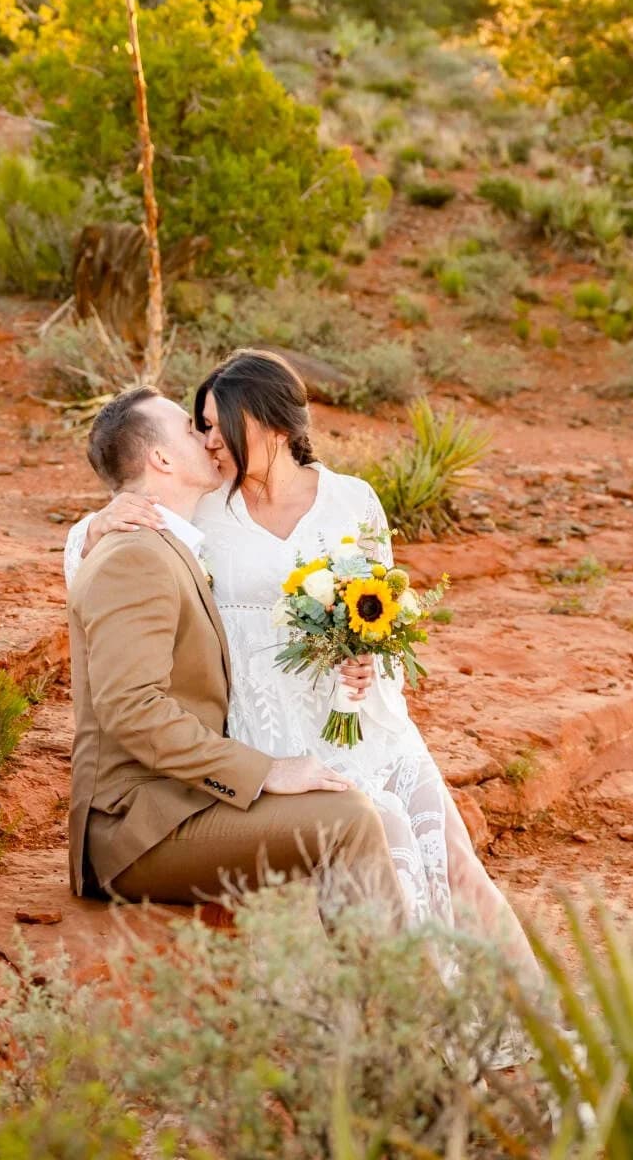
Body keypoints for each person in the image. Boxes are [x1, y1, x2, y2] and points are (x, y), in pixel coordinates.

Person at [65, 350, 536, 966]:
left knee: (450, 859)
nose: (208, 441)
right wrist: (98, 523)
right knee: (373, 837)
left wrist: (371, 663)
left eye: (215, 424)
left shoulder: (351, 499)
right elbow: (111, 559)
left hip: (356, 710)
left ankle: (515, 1036)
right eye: (196, 425)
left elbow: (386, 605)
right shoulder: (196, 509)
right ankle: (414, 1029)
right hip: (262, 726)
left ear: (267, 423)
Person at [65, 383, 408, 921]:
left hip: (178, 803)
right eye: (190, 428)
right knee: (347, 819)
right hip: (136, 831)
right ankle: (394, 1002)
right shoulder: (134, 555)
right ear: (160, 457)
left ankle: (365, 993)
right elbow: (129, 709)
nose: (207, 438)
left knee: (347, 804)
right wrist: (265, 769)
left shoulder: (168, 545)